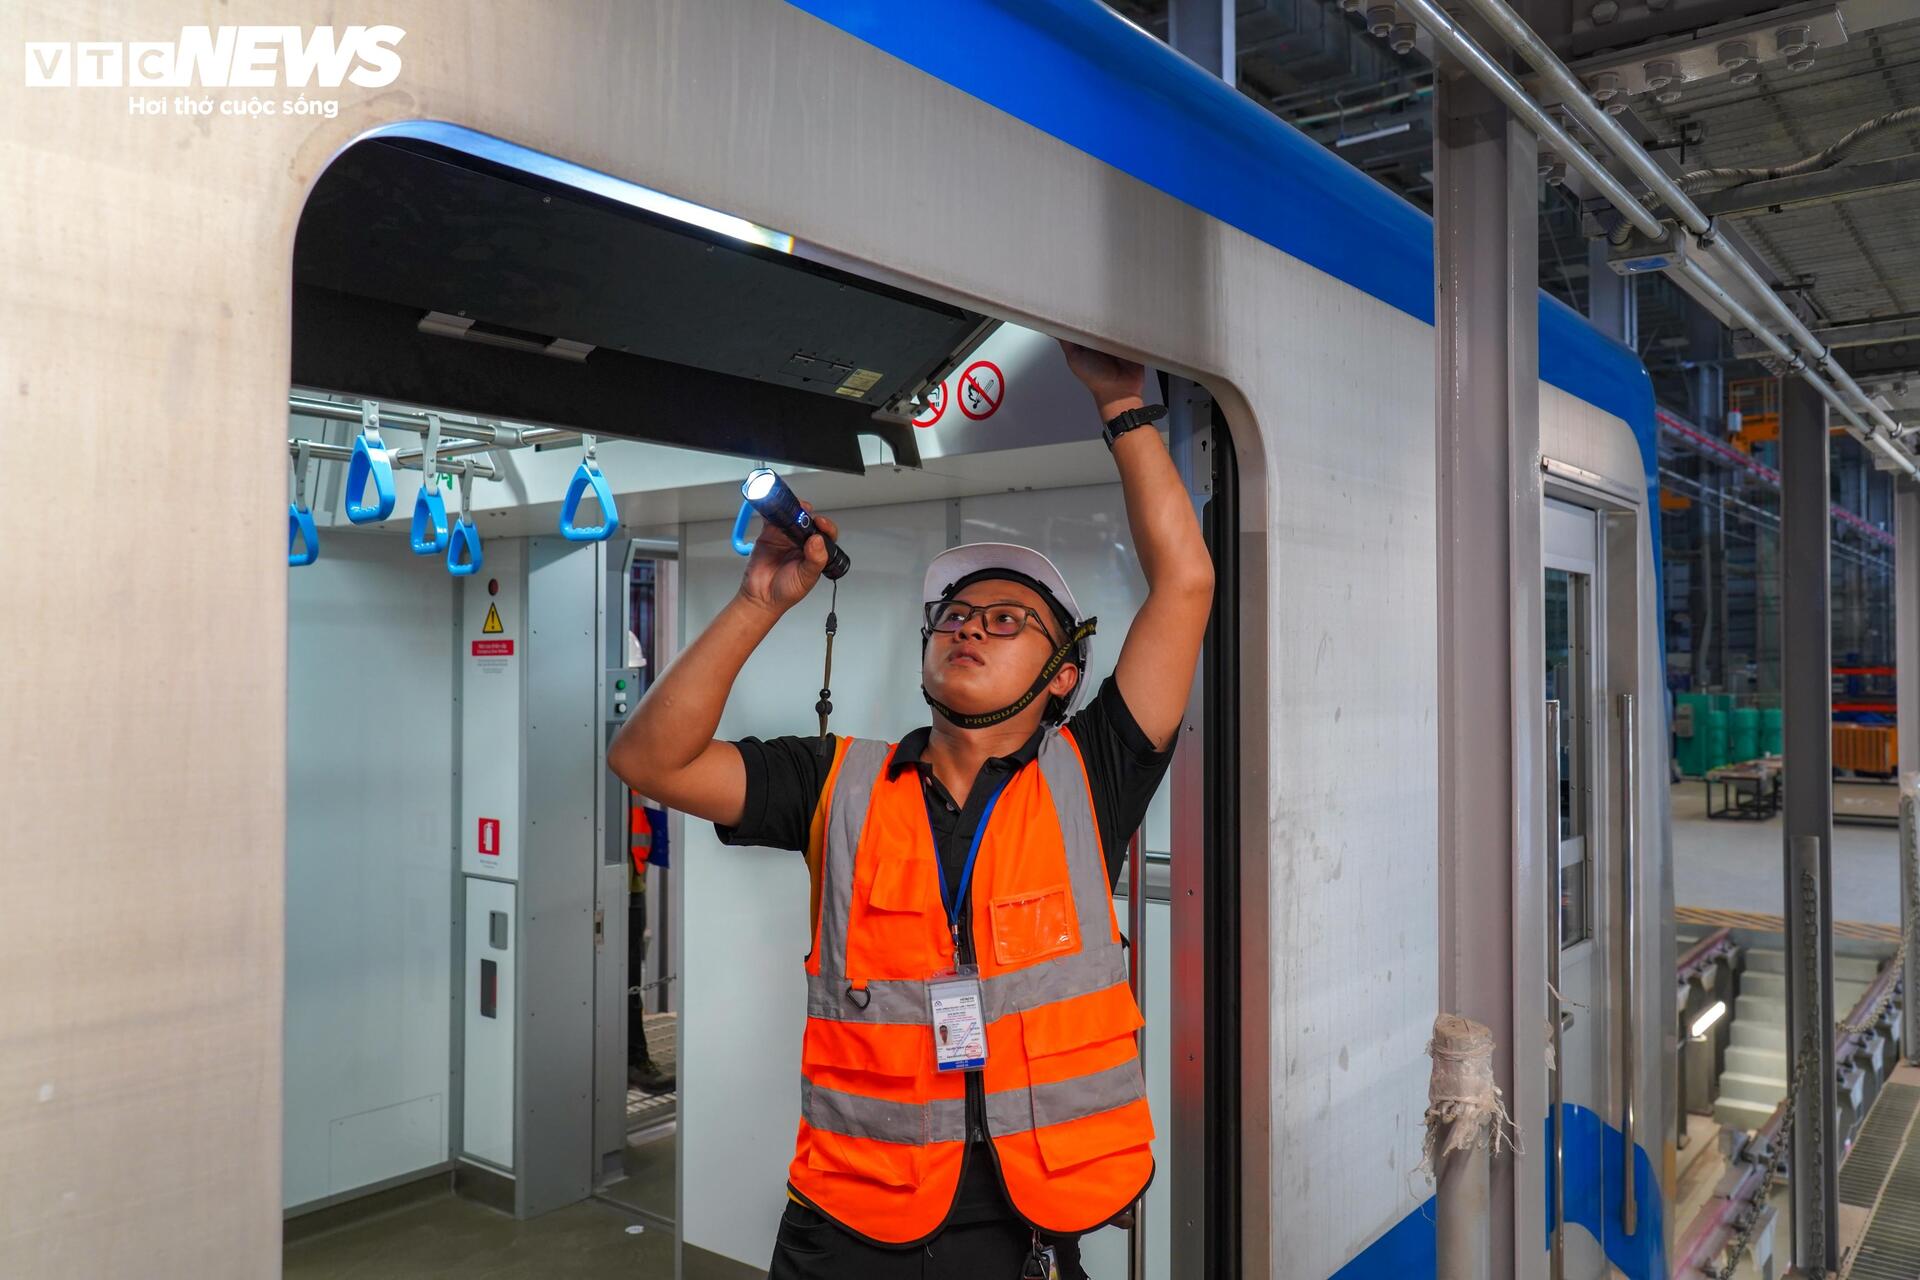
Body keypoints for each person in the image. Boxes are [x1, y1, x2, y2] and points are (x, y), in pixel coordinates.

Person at [608, 341, 1214, 1279]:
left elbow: (1186, 584)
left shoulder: (1089, 774)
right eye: (955, 617)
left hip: (1029, 1229)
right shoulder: (834, 783)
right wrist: (757, 600)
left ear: (1062, 678)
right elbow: (648, 760)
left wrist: (1123, 405)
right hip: (848, 1225)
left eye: (1007, 619)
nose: (969, 624)